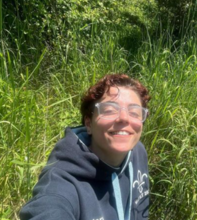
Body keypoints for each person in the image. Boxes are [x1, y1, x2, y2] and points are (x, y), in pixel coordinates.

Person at [20, 74, 151, 220]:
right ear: (89, 123)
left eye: (134, 112)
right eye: (109, 110)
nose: (124, 118)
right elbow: (48, 208)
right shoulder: (63, 182)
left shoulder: (138, 152)